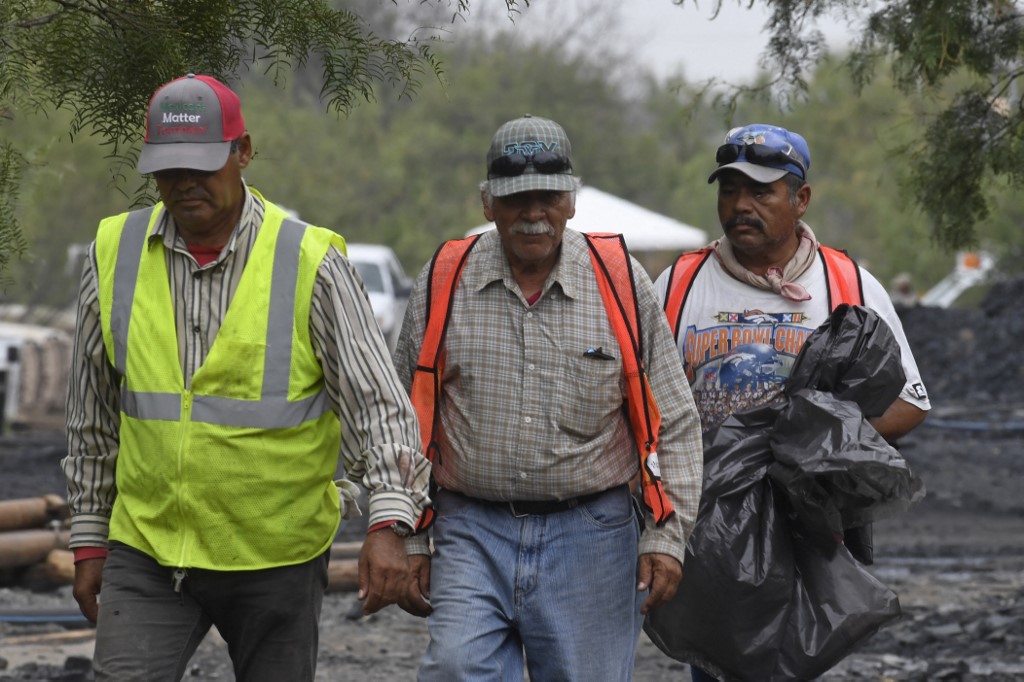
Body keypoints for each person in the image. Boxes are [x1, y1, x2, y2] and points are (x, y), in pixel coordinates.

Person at [61, 73, 431, 681]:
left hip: (275, 557)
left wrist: (389, 524)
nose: (184, 182)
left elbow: (379, 408)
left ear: (244, 152)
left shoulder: (310, 261)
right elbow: (92, 414)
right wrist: (90, 536)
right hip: (149, 548)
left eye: (202, 164)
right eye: (168, 168)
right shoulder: (114, 251)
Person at [391, 114, 704, 681]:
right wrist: (409, 535)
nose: (533, 214)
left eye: (547, 197)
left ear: (572, 201)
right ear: (488, 204)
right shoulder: (445, 277)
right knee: (456, 670)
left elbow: (675, 418)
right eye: (516, 199)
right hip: (471, 530)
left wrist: (667, 533)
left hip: (593, 535)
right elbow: (404, 420)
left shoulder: (619, 282)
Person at [653, 123, 931, 681]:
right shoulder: (679, 285)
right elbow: (639, 402)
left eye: (761, 192)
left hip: (807, 530)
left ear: (800, 199)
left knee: (792, 660)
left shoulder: (846, 284)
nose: (740, 206)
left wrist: (817, 444)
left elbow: (910, 403)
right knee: (714, 659)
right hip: (709, 525)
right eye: (729, 190)